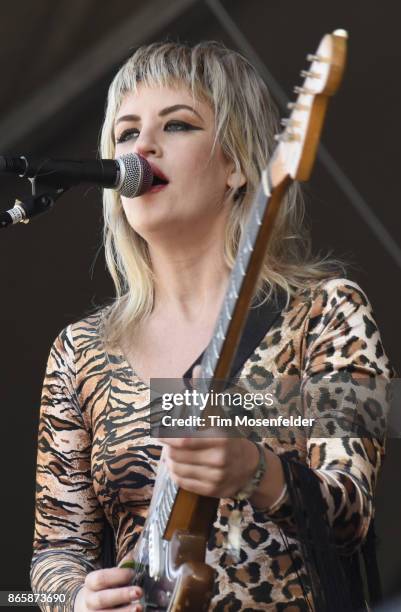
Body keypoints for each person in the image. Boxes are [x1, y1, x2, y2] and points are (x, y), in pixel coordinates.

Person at [30, 41, 392, 611]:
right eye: (125, 134)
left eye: (176, 125)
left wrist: (258, 470)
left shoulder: (325, 311)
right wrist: (76, 599)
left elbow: (353, 514)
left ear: (237, 164)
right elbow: (55, 551)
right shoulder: (79, 353)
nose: (142, 146)